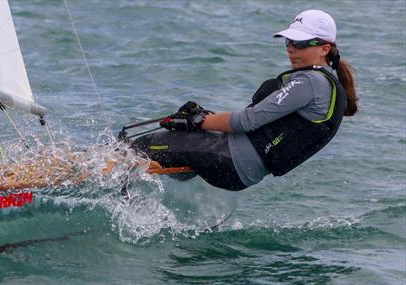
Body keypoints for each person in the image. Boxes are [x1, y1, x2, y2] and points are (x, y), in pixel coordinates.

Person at [131, 9, 359, 191]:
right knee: (173, 144)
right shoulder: (324, 83)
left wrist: (197, 120)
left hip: (229, 160)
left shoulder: (311, 82)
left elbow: (248, 121)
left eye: (299, 43)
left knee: (137, 146)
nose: (290, 48)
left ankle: (107, 172)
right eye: (288, 41)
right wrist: (206, 121)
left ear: (324, 48)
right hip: (239, 168)